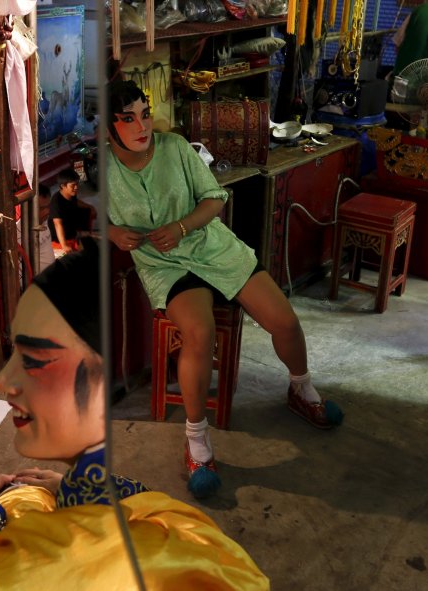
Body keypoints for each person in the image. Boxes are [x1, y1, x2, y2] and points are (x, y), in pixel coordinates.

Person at [0, 243, 268, 590]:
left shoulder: (0, 574)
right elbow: (171, 519)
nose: (4, 381)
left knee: (24, 501)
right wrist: (80, 487)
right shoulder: (192, 551)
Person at [105, 80, 342, 500]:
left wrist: (181, 226)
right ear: (109, 127)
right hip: (164, 265)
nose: (141, 125)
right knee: (198, 334)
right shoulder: (101, 168)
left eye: (144, 113)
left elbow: (215, 199)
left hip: (211, 246)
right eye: (127, 119)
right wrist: (113, 231)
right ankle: (197, 442)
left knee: (284, 321)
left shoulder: (175, 148)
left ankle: (301, 389)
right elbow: (78, 211)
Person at [47, 167, 95, 258]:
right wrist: (64, 245)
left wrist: (90, 207)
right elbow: (58, 224)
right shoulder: (56, 201)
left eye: (77, 184)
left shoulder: (71, 194)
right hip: (59, 238)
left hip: (71, 228)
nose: (76, 187)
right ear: (63, 186)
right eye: (73, 185)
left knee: (87, 211)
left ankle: (83, 234)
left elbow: (76, 202)